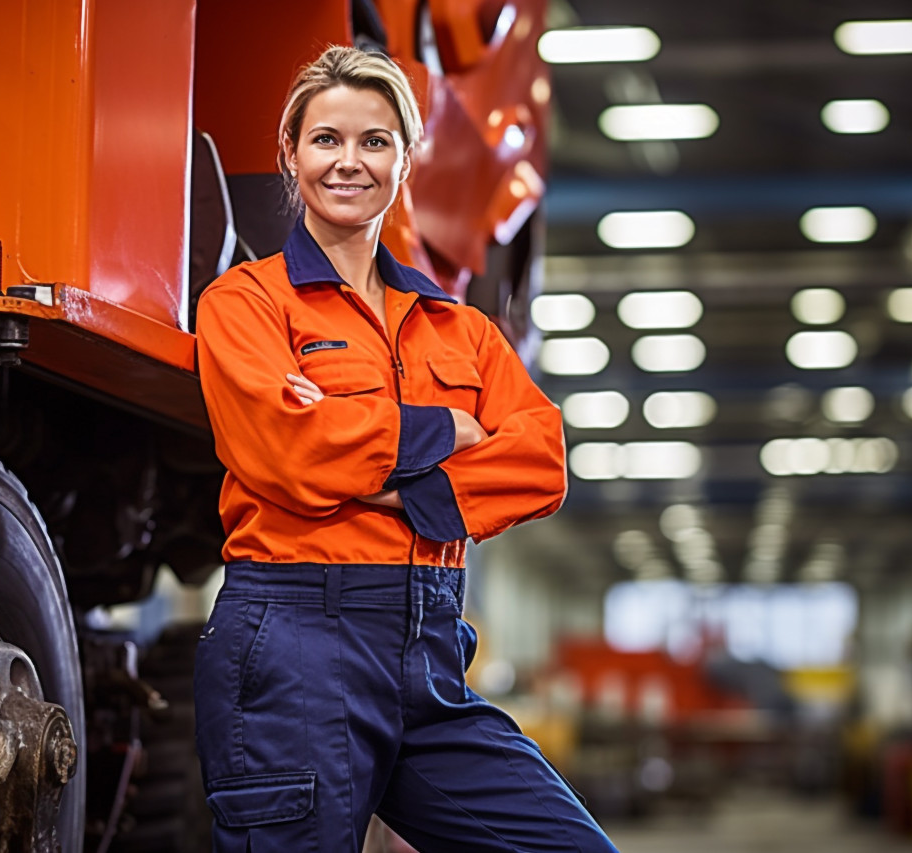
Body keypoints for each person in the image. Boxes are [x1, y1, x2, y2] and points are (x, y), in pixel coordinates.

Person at [193, 45, 618, 852]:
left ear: (407, 155)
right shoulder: (245, 304)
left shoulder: (462, 329)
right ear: (289, 154)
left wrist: (395, 486)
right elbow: (287, 448)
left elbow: (540, 459)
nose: (348, 162)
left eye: (375, 140)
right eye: (325, 140)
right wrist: (445, 434)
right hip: (293, 649)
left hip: (430, 653)